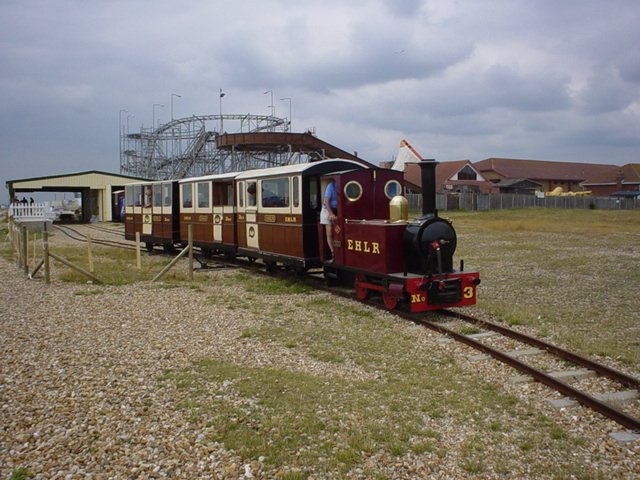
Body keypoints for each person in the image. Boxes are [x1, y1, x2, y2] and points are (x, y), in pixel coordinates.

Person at [320, 179, 338, 261]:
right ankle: (333, 252)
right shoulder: (331, 186)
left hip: (337, 209)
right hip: (327, 209)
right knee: (329, 232)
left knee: (338, 231)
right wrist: (331, 214)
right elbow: (326, 201)